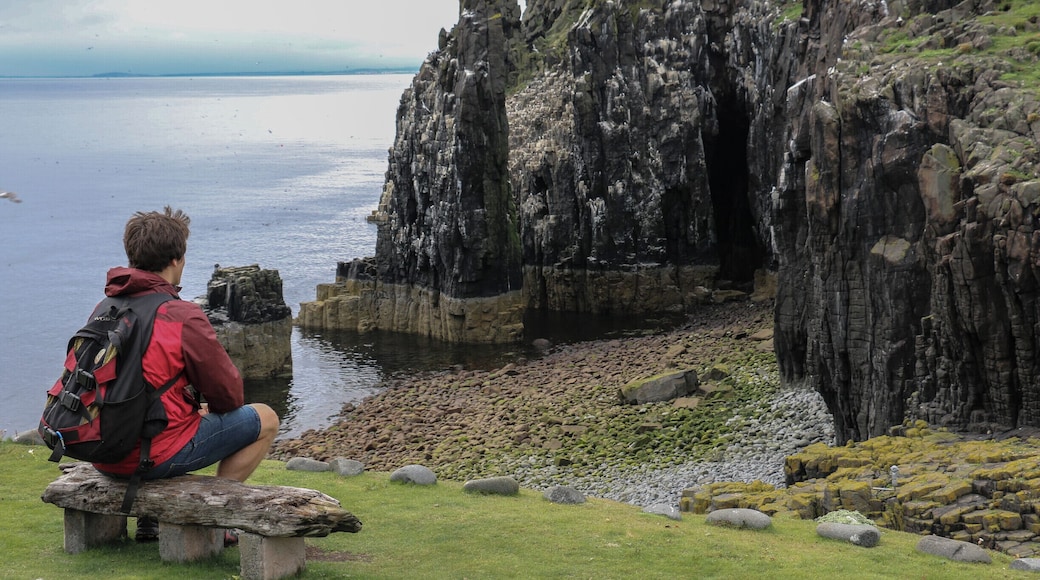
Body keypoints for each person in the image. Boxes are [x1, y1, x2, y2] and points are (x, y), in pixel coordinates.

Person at [92, 206, 279, 545]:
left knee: (164, 417)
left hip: (102, 451)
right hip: (151, 454)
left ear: (132, 257)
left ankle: (150, 520)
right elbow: (229, 395)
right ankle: (217, 518)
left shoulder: (105, 309)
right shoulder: (181, 315)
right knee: (266, 418)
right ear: (177, 259)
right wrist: (202, 409)